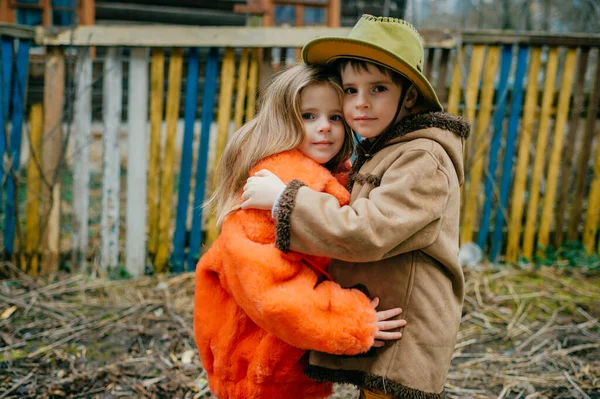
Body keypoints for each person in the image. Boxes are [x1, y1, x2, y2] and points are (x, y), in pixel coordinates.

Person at [241, 15, 471, 399]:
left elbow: (368, 231)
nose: (360, 104)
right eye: (350, 90)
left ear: (409, 95)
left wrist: (286, 200)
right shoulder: (385, 149)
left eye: (378, 88)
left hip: (408, 330)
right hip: (385, 322)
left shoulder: (423, 158)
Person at [194, 63, 406, 399]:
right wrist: (353, 321)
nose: (325, 128)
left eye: (335, 117)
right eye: (309, 116)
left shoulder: (330, 177)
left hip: (286, 356)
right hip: (257, 363)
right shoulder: (269, 188)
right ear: (283, 121)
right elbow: (273, 296)